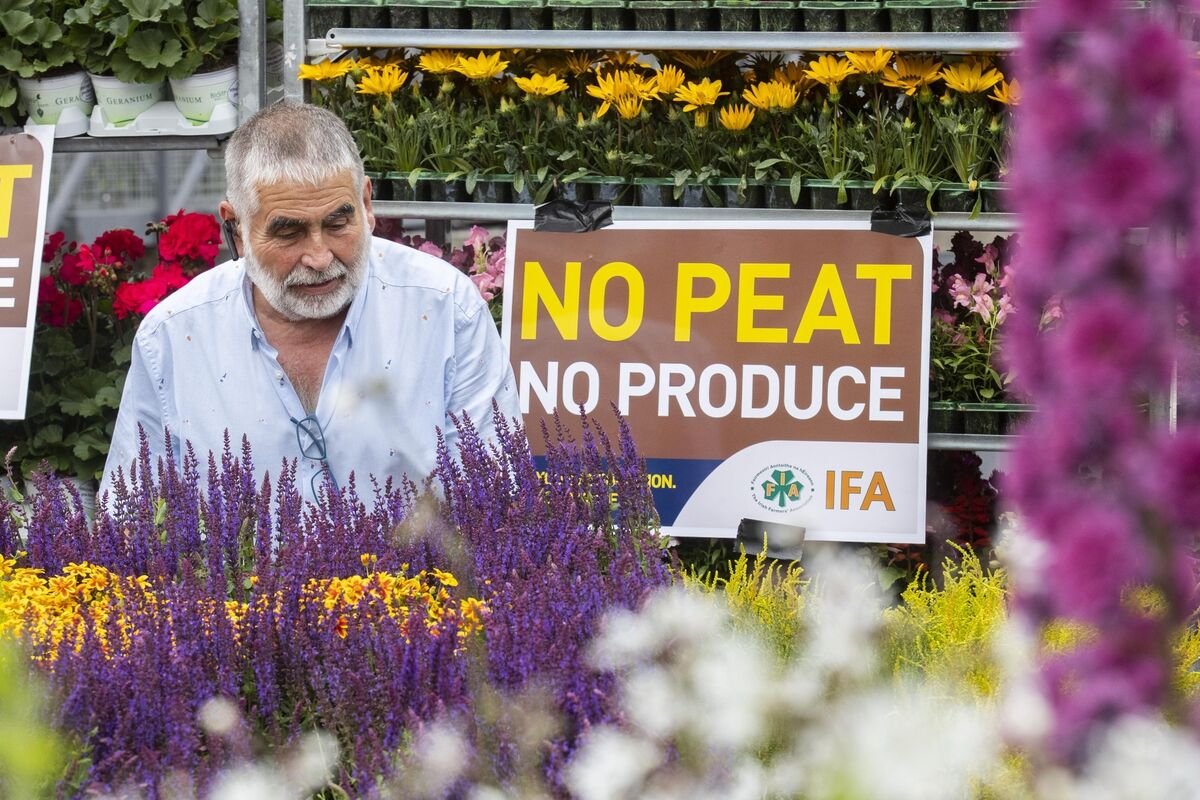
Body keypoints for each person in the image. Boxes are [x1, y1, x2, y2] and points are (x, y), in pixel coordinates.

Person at [101, 102, 521, 503]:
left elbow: (498, 504)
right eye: (289, 233)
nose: (319, 258)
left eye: (338, 223)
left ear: (366, 204)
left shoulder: (445, 309)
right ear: (237, 229)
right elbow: (131, 519)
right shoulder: (173, 337)